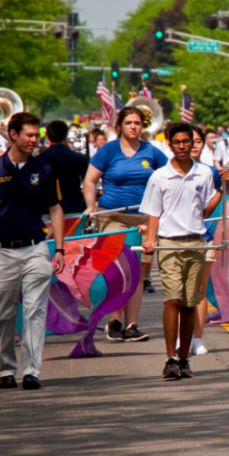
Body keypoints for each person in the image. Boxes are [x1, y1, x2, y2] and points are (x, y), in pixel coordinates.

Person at [0, 112, 65, 390]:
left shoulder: (45, 170)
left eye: (37, 135)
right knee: (2, 313)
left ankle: (32, 371)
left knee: (35, 311)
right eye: (30, 135)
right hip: (1, 251)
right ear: (13, 134)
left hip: (36, 248)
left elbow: (55, 209)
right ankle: (6, 370)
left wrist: (59, 248)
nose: (35, 140)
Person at [141, 123, 228, 380]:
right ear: (169, 144)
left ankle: (183, 357)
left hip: (196, 242)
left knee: (190, 303)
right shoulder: (159, 176)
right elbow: (153, 213)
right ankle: (169, 358)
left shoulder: (203, 173)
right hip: (169, 243)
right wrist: (151, 238)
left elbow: (206, 211)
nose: (181, 146)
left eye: (186, 142)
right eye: (176, 142)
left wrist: (223, 189)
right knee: (173, 300)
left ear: (193, 143)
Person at [83, 106, 168, 342]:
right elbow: (90, 181)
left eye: (138, 123)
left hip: (145, 218)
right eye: (129, 122)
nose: (133, 127)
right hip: (113, 216)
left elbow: (168, 179)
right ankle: (115, 321)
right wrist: (91, 205)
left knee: (138, 273)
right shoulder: (107, 151)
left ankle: (132, 325)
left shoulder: (152, 151)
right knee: (118, 269)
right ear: (120, 125)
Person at [185, 127, 229, 355]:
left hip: (205, 238)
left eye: (198, 141)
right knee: (179, 292)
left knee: (198, 290)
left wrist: (226, 185)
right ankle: (181, 339)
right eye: (190, 141)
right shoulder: (167, 171)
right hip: (176, 238)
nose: (194, 145)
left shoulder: (213, 172)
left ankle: (197, 340)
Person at [38, 120, 90, 214]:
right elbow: (88, 182)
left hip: (47, 210)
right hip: (73, 208)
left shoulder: (39, 160)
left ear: (48, 136)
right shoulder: (78, 158)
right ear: (65, 135)